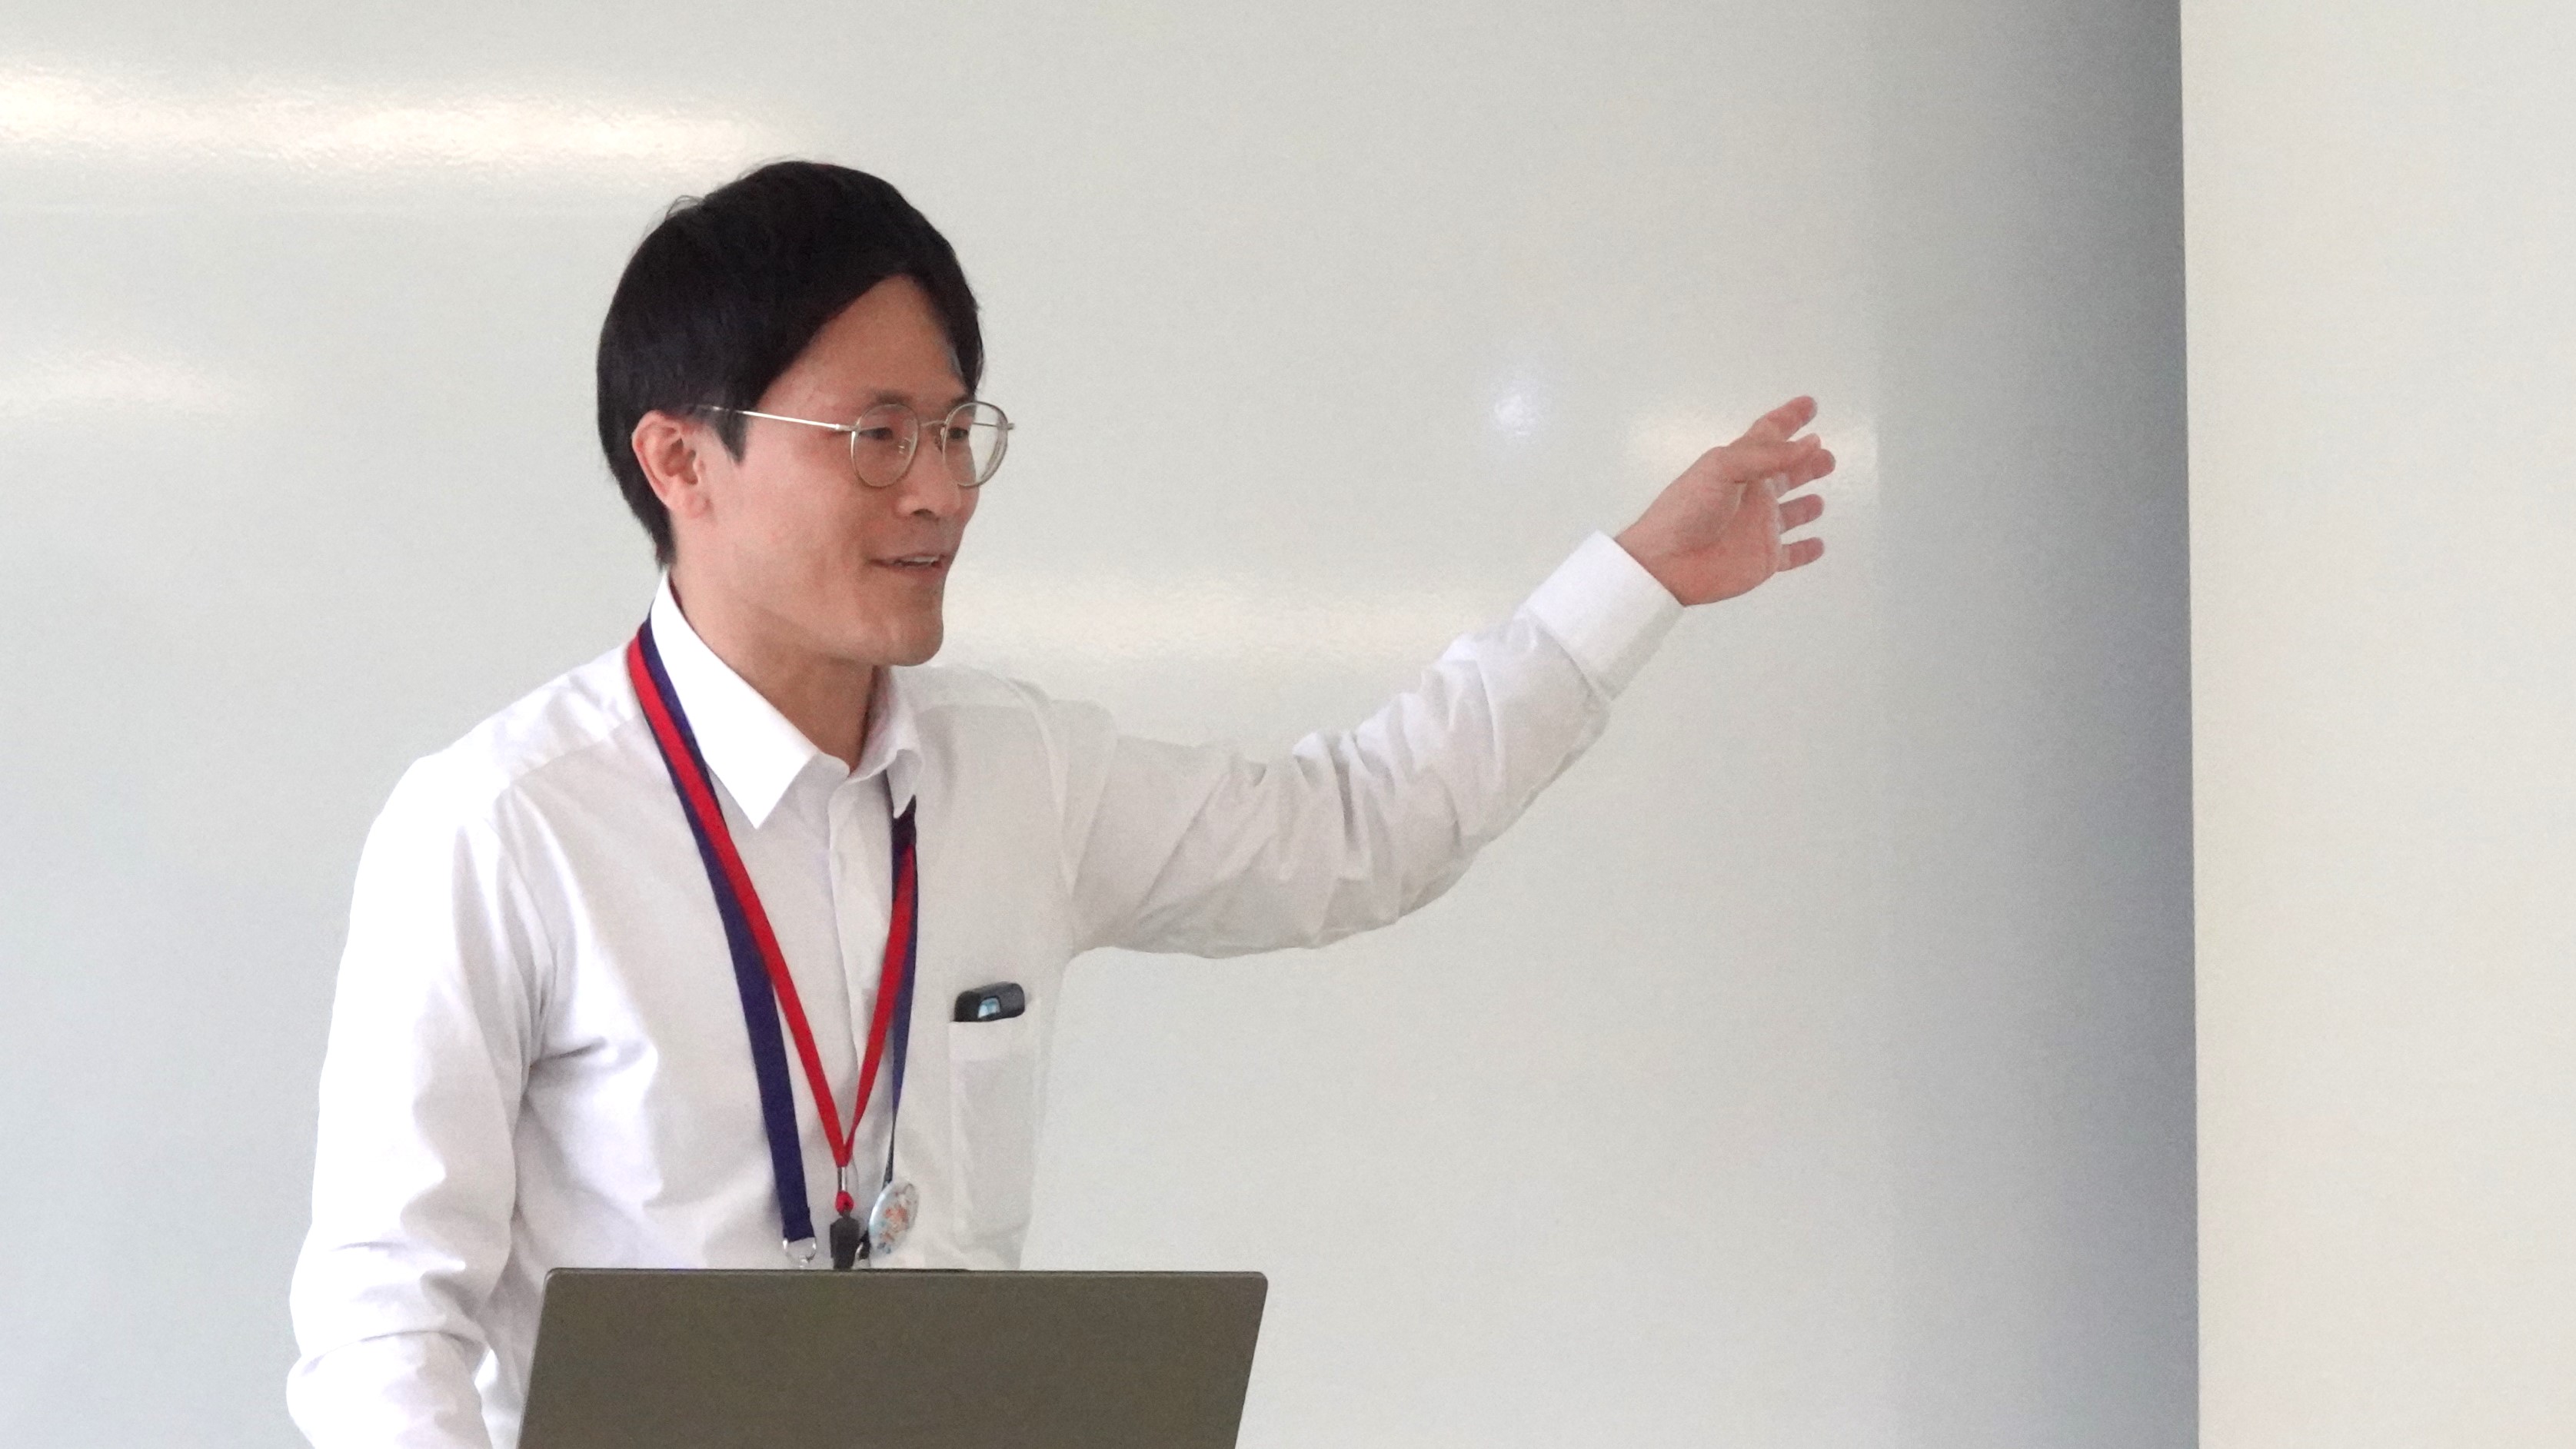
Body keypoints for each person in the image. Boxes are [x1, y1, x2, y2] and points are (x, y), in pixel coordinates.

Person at [285, 159, 1833, 1449]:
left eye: (957, 429)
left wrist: (1635, 582)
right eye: (876, 436)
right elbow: (383, 1318)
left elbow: (1357, 830)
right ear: (682, 460)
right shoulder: (504, 825)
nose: (942, 492)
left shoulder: (1015, 771)